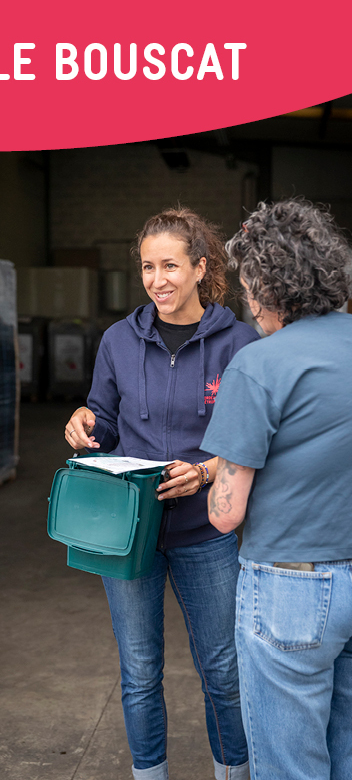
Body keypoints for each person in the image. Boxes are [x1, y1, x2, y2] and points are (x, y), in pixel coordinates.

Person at [65, 207, 260, 780]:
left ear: (200, 267)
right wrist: (84, 422)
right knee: (140, 672)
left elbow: (254, 438)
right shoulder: (118, 341)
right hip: (130, 532)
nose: (158, 280)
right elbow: (103, 419)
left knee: (223, 670)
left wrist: (205, 472)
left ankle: (234, 772)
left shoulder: (238, 343)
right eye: (148, 267)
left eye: (170, 265)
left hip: (207, 532)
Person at [201, 198, 352, 780]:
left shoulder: (258, 364)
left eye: (247, 289)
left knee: (290, 764)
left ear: (267, 287)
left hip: (293, 587)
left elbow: (225, 515)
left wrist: (219, 467)